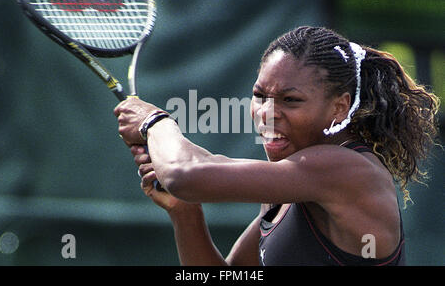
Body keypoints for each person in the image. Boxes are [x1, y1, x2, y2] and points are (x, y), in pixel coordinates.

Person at [114, 26, 440, 266]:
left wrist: (155, 122)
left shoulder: (347, 170)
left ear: (340, 107)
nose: (267, 115)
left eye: (290, 100)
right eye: (260, 97)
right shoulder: (287, 184)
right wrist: (185, 212)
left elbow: (186, 175)